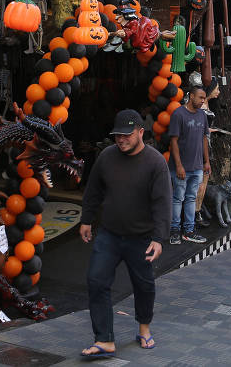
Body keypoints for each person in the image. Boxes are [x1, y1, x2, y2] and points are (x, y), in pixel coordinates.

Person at [79, 110, 171, 358]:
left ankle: (144, 328)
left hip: (141, 237)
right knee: (96, 281)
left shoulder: (155, 162)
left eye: (126, 135)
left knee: (144, 285)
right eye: (117, 135)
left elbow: (163, 202)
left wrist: (159, 238)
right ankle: (104, 339)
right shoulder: (107, 156)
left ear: (141, 132)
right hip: (109, 234)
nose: (121, 139)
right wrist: (86, 219)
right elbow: (93, 189)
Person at [167, 86, 211, 245]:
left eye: (204, 98)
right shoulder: (178, 114)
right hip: (181, 167)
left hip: (197, 166)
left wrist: (206, 161)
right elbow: (173, 141)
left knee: (191, 198)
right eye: (200, 97)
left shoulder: (202, 115)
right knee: (178, 198)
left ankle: (189, 231)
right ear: (191, 96)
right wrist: (179, 166)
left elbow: (204, 139)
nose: (203, 101)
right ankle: (174, 231)